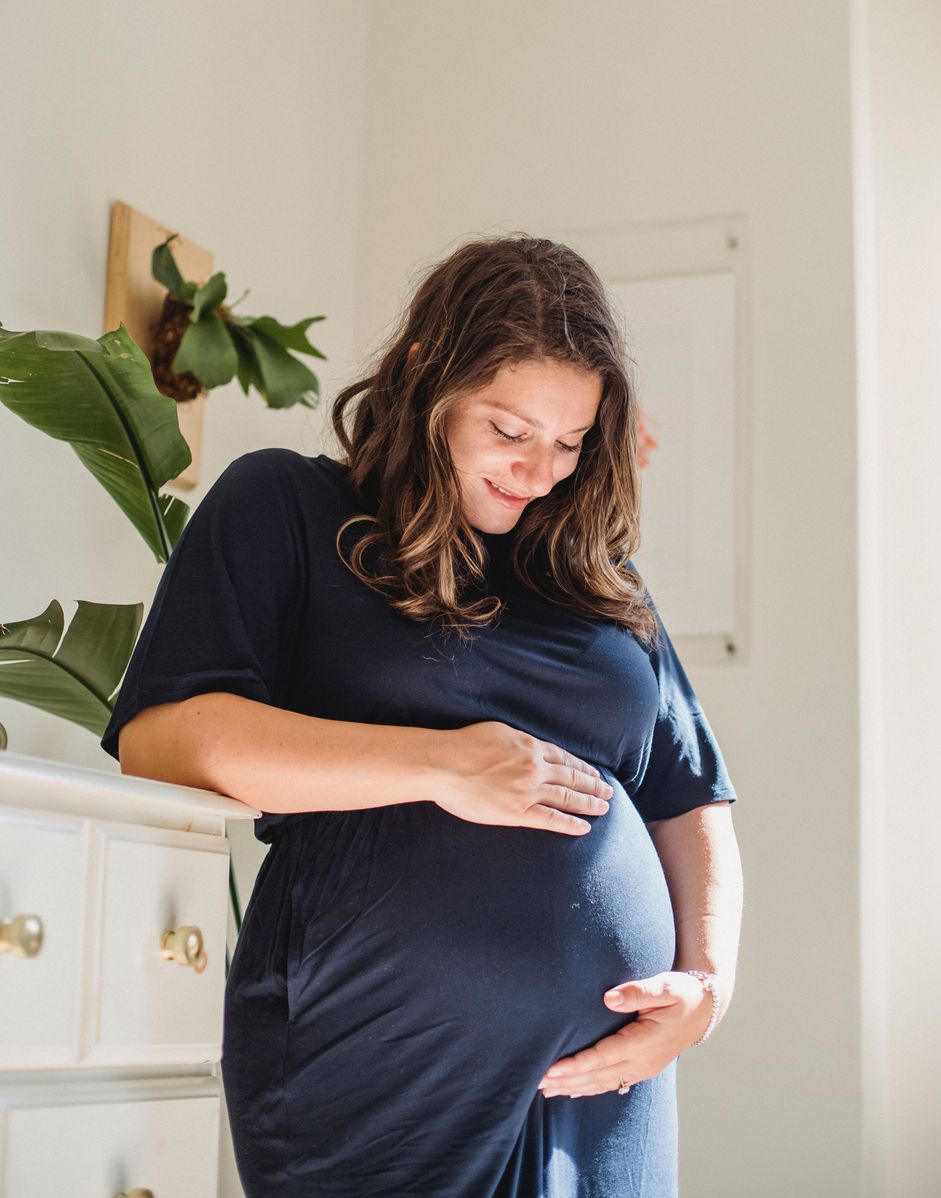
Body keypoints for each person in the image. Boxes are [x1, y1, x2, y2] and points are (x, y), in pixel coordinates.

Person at [101, 233, 744, 1197]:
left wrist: (706, 988)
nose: (540, 472)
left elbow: (690, 797)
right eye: (511, 430)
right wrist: (441, 764)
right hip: (378, 1054)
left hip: (608, 1081)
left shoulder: (602, 580)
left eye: (570, 442)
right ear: (424, 377)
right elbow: (164, 739)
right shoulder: (289, 505)